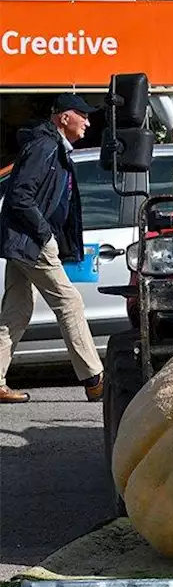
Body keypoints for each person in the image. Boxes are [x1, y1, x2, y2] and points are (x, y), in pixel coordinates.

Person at [0, 93, 105, 404]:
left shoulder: (53, 147)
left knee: (15, 313)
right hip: (31, 241)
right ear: (63, 117)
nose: (87, 121)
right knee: (70, 302)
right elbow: (19, 196)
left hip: (24, 241)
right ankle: (94, 378)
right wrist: (45, 234)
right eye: (82, 115)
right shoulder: (45, 146)